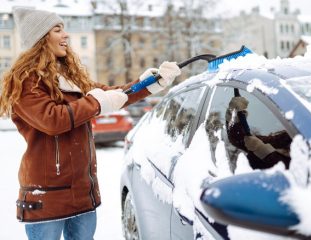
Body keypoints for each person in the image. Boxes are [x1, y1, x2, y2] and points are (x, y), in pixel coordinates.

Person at [0, 7, 181, 240]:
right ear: (40, 39)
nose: (66, 35)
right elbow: (53, 119)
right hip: (47, 195)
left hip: (82, 191)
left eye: (64, 29)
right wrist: (97, 102)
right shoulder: (26, 82)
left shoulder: (70, 79)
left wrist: (148, 83)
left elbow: (108, 94)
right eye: (57, 29)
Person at [225, 95, 291, 170]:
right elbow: (240, 139)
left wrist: (262, 150)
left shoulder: (302, 151)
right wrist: (234, 114)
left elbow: (295, 174)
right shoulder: (287, 138)